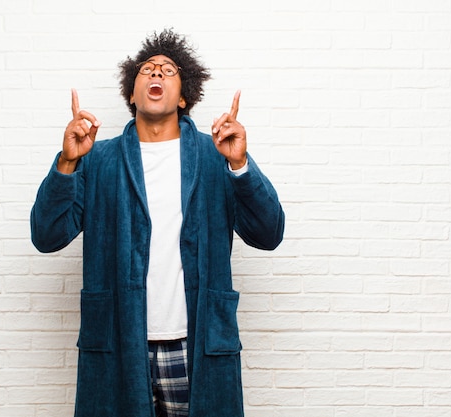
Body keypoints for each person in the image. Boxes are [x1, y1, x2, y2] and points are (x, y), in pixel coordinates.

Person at [30, 29, 285, 417]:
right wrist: (67, 164)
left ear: (183, 96)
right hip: (118, 341)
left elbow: (269, 234)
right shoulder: (99, 159)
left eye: (168, 70)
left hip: (195, 344)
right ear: (132, 94)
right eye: (147, 70)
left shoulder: (215, 154)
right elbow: (46, 236)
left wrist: (239, 165)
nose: (156, 74)